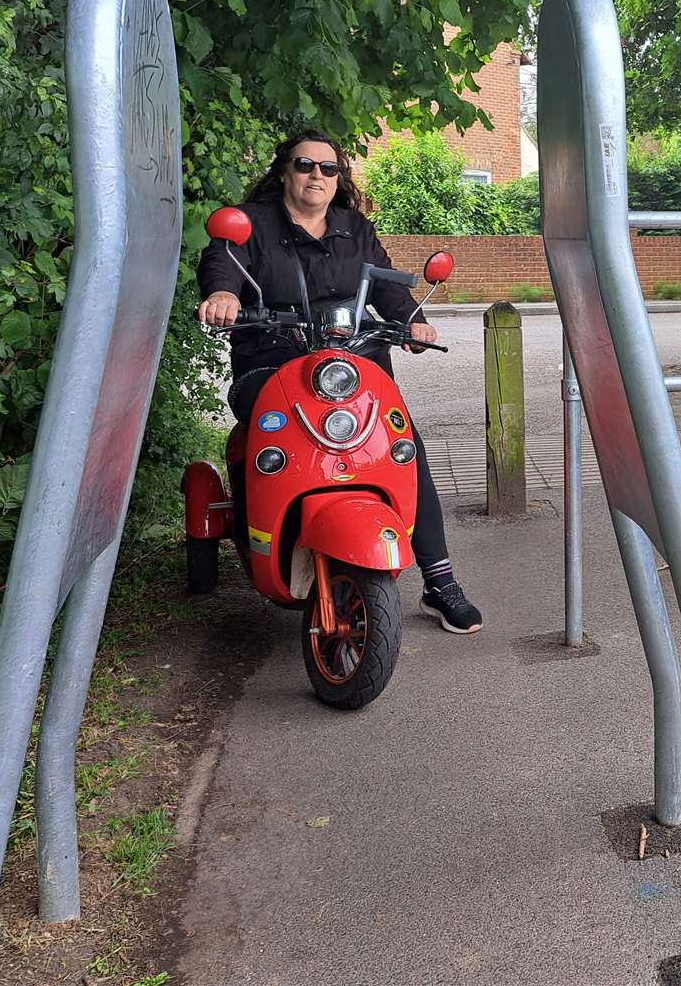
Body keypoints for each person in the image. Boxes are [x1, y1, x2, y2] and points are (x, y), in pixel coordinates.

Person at [196, 129, 482, 634]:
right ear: (285, 170)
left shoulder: (355, 227)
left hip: (352, 368)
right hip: (271, 362)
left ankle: (440, 582)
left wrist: (412, 319)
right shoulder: (252, 224)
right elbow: (222, 262)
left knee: (405, 449)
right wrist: (224, 296)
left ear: (339, 178)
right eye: (306, 166)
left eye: (329, 169)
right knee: (277, 446)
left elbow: (387, 284)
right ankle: (264, 541)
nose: (317, 177)